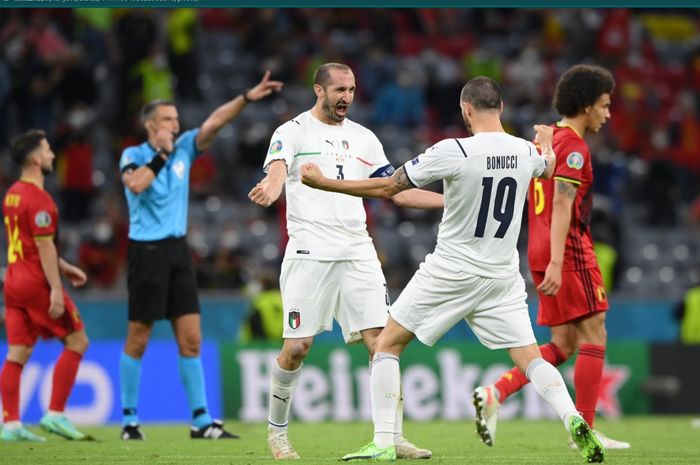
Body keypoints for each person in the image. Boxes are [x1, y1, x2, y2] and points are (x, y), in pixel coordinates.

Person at [300, 76, 605, 463]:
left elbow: (390, 187)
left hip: (451, 269)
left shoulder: (454, 150)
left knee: (387, 344)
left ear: (466, 110)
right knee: (531, 359)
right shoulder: (524, 150)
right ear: (502, 108)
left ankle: (382, 443)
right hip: (501, 275)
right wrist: (544, 140)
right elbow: (547, 167)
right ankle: (572, 418)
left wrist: (326, 183)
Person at [248, 62, 443, 460]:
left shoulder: (365, 138)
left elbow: (397, 191)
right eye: (339, 90)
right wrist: (272, 185)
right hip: (308, 252)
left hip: (358, 251)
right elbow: (278, 168)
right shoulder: (293, 130)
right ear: (319, 91)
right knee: (298, 347)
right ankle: (277, 434)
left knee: (382, 345)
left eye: (352, 90)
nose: (347, 98)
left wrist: (455, 202)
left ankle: (392, 437)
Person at [118, 71, 283, 440]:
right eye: (167, 120)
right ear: (150, 125)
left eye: (177, 120)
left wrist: (246, 96)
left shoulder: (186, 147)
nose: (175, 125)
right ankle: (129, 419)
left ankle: (201, 420)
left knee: (191, 338)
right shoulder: (134, 155)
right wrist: (161, 153)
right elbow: (137, 183)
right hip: (147, 252)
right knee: (139, 338)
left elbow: (216, 121)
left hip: (178, 251)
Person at [474, 64, 630, 450]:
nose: (608, 114)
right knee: (596, 332)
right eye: (605, 105)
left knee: (563, 343)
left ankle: (497, 391)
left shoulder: (548, 140)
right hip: (569, 250)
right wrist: (561, 262)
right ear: (586, 105)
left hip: (539, 248)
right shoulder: (573, 148)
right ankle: (587, 430)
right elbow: (563, 203)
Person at [1, 129, 91, 442]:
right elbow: (43, 248)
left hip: (13, 280)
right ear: (37, 159)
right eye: (49, 150)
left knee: (18, 351)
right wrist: (56, 287)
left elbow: (29, 243)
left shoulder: (12, 193)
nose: (53, 155)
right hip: (36, 282)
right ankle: (55, 413)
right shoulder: (40, 200)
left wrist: (65, 268)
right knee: (78, 342)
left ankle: (10, 425)